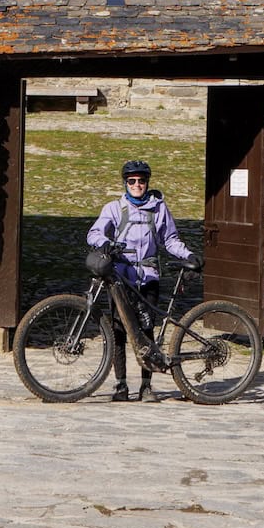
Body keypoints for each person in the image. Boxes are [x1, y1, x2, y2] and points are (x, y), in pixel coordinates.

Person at [87, 158, 200, 403]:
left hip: (148, 277)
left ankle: (146, 387)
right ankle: (120, 385)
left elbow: (170, 239)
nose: (137, 185)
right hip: (121, 278)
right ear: (125, 183)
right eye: (132, 181)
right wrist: (105, 243)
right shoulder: (114, 208)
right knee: (119, 330)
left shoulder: (158, 208)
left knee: (147, 330)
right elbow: (94, 233)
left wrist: (189, 255)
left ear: (147, 183)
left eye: (141, 180)